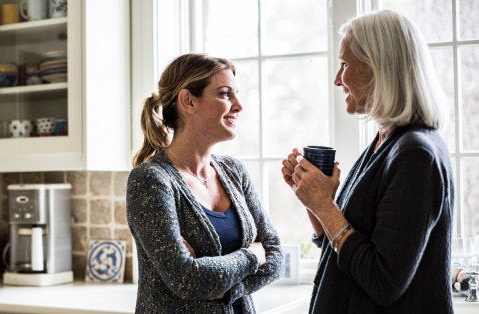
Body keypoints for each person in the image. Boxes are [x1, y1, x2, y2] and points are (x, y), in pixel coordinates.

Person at [281, 9, 455, 313]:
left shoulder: (415, 154)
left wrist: (325, 205)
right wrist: (313, 200)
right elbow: (343, 253)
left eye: (345, 64)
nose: (337, 79)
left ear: (379, 67)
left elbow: (383, 281)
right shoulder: (384, 142)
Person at [126, 53, 284, 313]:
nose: (238, 105)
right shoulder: (151, 180)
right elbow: (187, 280)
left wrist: (225, 289)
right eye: (224, 94)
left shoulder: (234, 172)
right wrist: (251, 256)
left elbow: (276, 255)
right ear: (188, 101)